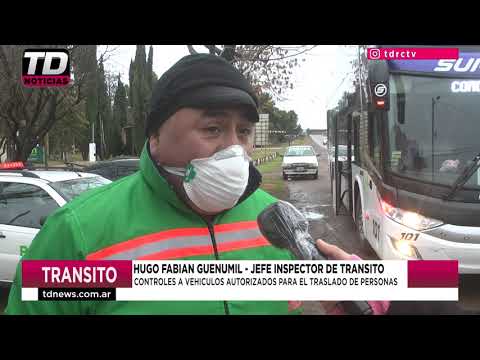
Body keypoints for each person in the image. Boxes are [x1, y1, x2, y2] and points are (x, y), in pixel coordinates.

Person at [6, 54, 388, 315]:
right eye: (212, 129)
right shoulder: (77, 234)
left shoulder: (273, 224)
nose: (234, 149)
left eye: (244, 132)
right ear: (155, 135)